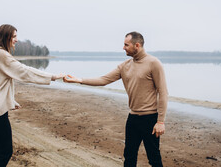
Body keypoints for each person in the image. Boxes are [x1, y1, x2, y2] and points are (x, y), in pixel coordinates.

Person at [64, 31, 168, 167]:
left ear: (137, 45)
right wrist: (79, 80)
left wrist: (160, 121)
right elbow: (103, 80)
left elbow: (163, 92)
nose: (123, 47)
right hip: (133, 119)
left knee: (154, 159)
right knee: (129, 157)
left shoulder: (154, 63)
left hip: (150, 119)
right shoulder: (125, 66)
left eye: (126, 45)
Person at [0, 24, 64, 167]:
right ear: (5, 36)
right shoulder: (1, 54)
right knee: (5, 151)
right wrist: (52, 76)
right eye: (14, 36)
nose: (16, 40)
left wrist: (10, 101)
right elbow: (24, 71)